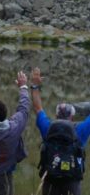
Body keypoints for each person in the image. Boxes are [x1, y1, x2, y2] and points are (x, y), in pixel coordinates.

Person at [30, 67, 90, 195]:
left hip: (50, 180)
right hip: (72, 182)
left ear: (56, 116)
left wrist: (35, 86)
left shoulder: (48, 128)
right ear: (72, 117)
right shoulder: (80, 131)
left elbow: (37, 107)